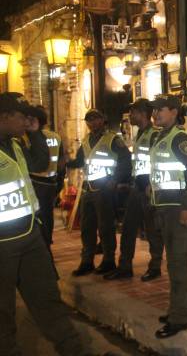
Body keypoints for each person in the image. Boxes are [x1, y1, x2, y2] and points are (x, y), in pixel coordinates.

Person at [0, 93, 91, 355]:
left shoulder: (15, 144)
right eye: (22, 116)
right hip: (3, 245)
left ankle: (75, 351)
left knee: (47, 299)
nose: (26, 121)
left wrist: (35, 132)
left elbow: (40, 163)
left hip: (29, 237)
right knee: (3, 311)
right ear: (4, 116)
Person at [149, 95, 187, 338]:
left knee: (178, 263)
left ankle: (179, 318)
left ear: (173, 111)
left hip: (178, 207)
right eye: (154, 110)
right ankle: (184, 308)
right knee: (175, 262)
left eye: (160, 109)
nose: (156, 114)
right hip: (165, 206)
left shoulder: (181, 138)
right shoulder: (160, 135)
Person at [104, 99, 164, 281]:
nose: (130, 116)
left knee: (152, 231)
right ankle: (124, 267)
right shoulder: (140, 134)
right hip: (136, 187)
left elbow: (158, 161)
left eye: (133, 113)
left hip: (148, 188)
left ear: (143, 114)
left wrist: (150, 185)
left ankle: (155, 267)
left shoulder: (154, 134)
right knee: (128, 228)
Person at [67, 109, 131, 277]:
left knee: (106, 226)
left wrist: (115, 180)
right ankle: (87, 261)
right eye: (89, 120)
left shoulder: (113, 139)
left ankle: (108, 260)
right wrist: (67, 163)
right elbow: (80, 161)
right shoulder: (86, 139)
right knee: (86, 227)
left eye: (96, 119)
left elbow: (125, 161)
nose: (93, 123)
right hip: (88, 188)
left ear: (103, 120)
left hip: (104, 189)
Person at [27, 105, 65, 248]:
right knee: (48, 215)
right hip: (51, 182)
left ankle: (42, 245)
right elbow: (61, 163)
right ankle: (47, 240)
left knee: (37, 215)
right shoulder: (56, 136)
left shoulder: (30, 138)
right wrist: (60, 183)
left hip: (35, 181)